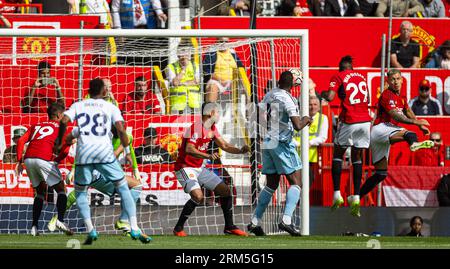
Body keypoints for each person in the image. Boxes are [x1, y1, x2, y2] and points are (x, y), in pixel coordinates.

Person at [55, 78, 151, 245]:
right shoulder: (110, 107)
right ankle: (134, 226)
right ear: (104, 91)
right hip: (104, 154)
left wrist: (59, 141)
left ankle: (91, 230)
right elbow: (121, 130)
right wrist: (128, 152)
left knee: (81, 193)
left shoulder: (79, 105)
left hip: (84, 155)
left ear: (89, 90)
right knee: (125, 188)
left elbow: (64, 121)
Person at [247, 71, 312, 237]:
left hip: (268, 142)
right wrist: (307, 118)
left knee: (271, 184)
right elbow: (298, 125)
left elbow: (257, 117)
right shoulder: (288, 99)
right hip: (281, 143)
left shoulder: (269, 94)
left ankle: (254, 222)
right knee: (297, 182)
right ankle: (287, 220)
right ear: (294, 84)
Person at [172, 102, 249, 237]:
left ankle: (229, 227)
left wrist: (240, 151)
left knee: (225, 190)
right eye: (218, 112)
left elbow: (224, 145)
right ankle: (178, 228)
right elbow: (189, 149)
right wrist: (208, 155)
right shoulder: (195, 128)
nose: (219, 115)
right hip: (185, 167)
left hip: (199, 168)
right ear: (211, 113)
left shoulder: (212, 128)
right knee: (198, 196)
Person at [48, 125, 142, 235]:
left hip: (96, 171)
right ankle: (124, 220)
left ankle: (57, 217)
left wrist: (136, 169)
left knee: (79, 192)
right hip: (103, 172)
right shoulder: (108, 137)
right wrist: (73, 170)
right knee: (136, 186)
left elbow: (129, 149)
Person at [359, 69, 435, 199]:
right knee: (409, 134)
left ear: (402, 80)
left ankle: (356, 196)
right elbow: (395, 115)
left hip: (383, 136)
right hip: (380, 129)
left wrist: (420, 124)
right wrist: (415, 123)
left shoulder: (402, 97)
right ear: (388, 81)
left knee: (381, 174)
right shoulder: (386, 95)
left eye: (398, 78)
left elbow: (407, 111)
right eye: (392, 79)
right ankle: (413, 144)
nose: (395, 81)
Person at [320, 55, 371, 217]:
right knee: (357, 157)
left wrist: (322, 93)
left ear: (340, 67)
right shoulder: (361, 76)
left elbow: (330, 97)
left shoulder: (338, 76)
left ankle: (337, 195)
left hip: (350, 120)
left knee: (338, 154)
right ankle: (356, 197)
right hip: (365, 121)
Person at [14, 103, 72, 236]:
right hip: (44, 159)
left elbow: (21, 140)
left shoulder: (36, 125)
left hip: (28, 159)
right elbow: (66, 151)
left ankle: (34, 227)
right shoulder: (62, 128)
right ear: (58, 115)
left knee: (40, 192)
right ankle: (60, 221)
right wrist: (55, 161)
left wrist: (19, 161)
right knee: (61, 190)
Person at [294, 95, 328, 187]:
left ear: (319, 106)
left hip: (311, 157)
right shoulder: (298, 117)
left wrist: (309, 143)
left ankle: (299, 201)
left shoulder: (323, 118)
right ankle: (297, 201)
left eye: (315, 104)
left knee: (308, 181)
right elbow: (291, 135)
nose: (312, 107)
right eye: (310, 104)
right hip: (295, 155)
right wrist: (298, 144)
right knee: (296, 183)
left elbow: (323, 137)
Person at [203, 37, 244, 103]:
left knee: (243, 88)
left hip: (231, 81)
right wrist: (220, 80)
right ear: (217, 42)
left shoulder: (232, 53)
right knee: (212, 87)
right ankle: (210, 110)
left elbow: (241, 67)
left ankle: (241, 111)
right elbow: (206, 71)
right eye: (221, 41)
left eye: (226, 42)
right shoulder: (212, 53)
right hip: (216, 81)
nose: (224, 44)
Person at [165, 46, 201, 115]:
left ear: (190, 54)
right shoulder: (170, 67)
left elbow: (196, 81)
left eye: (186, 53)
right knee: (178, 124)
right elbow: (175, 83)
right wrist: (183, 69)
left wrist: (182, 83)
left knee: (196, 124)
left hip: (194, 101)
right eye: (182, 53)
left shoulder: (195, 66)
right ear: (178, 55)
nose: (184, 56)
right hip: (177, 103)